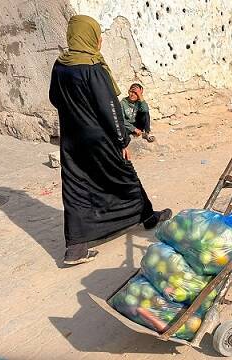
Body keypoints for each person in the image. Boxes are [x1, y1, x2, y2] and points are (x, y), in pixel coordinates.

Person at [49, 15, 172, 266]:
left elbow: (54, 98)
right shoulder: (93, 68)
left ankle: (75, 248)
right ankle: (147, 217)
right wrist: (122, 140)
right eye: (98, 34)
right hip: (99, 138)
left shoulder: (60, 65)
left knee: (76, 187)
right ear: (90, 36)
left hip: (71, 140)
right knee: (124, 175)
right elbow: (111, 109)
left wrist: (75, 112)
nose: (101, 39)